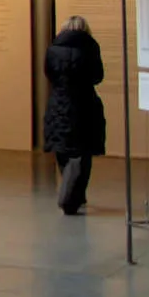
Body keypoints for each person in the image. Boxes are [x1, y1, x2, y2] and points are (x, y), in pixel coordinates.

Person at [43, 15, 107, 215]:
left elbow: (49, 74)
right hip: (84, 104)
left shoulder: (52, 50)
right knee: (82, 152)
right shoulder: (90, 48)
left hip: (59, 104)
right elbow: (98, 76)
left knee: (63, 149)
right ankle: (70, 197)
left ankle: (73, 193)